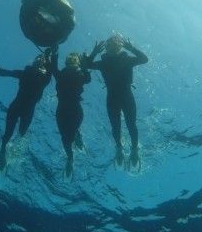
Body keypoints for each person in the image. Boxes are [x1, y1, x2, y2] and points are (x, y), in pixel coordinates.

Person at [84, 34, 148, 168]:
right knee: (116, 126)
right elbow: (86, 65)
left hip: (123, 96)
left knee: (131, 125)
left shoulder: (126, 60)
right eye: (110, 43)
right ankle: (119, 148)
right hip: (115, 97)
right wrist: (94, 52)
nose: (112, 45)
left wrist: (132, 48)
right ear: (106, 48)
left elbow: (144, 59)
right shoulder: (104, 63)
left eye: (115, 43)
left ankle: (134, 149)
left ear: (119, 46)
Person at [0, 50, 52, 170]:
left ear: (43, 65)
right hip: (17, 107)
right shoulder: (25, 73)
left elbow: (51, 68)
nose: (38, 60)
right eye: (37, 58)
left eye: (41, 60)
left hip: (25, 111)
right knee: (8, 134)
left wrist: (49, 55)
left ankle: (12, 154)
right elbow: (3, 72)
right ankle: (3, 153)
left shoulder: (45, 78)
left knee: (22, 134)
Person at [52, 48, 91, 178]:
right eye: (69, 59)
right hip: (62, 110)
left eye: (75, 60)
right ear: (66, 62)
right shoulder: (60, 74)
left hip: (75, 109)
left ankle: (76, 134)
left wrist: (85, 66)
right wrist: (54, 52)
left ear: (78, 63)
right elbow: (53, 67)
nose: (72, 61)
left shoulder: (81, 74)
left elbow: (88, 79)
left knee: (71, 132)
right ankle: (70, 158)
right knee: (65, 137)